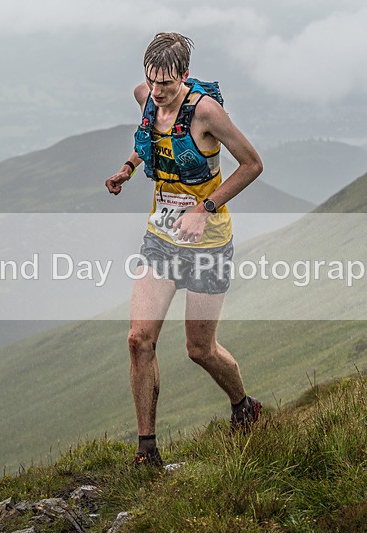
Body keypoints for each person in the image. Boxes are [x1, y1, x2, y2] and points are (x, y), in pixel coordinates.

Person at [105, 32, 264, 467]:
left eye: (167, 85)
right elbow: (152, 143)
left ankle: (244, 407)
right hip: (160, 239)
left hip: (208, 243)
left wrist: (205, 207)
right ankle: (147, 451)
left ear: (185, 77)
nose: (157, 92)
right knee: (139, 340)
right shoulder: (147, 97)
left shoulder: (207, 112)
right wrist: (127, 169)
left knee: (200, 349)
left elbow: (252, 164)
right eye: (152, 82)